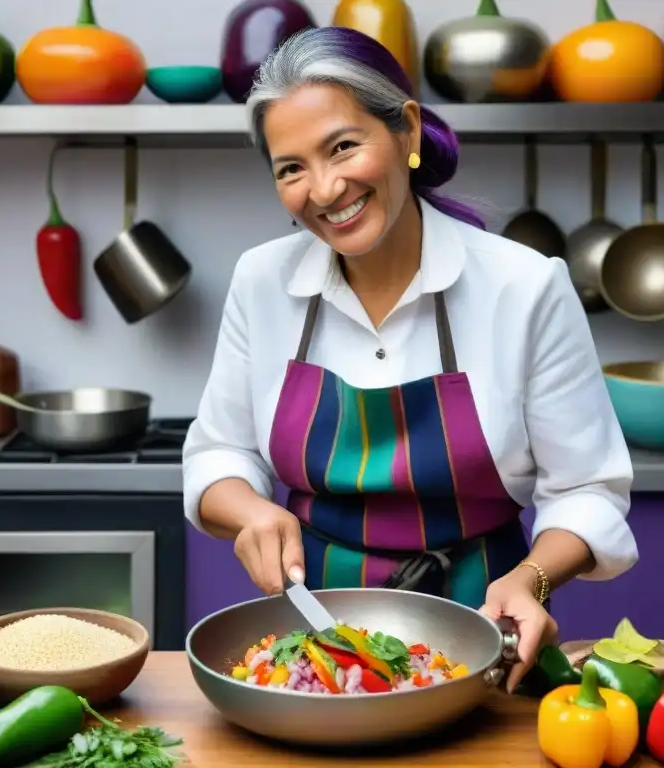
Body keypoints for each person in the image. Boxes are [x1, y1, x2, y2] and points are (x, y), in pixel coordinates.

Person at [182, 26, 638, 691]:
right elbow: (218, 453)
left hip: (483, 629)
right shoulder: (262, 281)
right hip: (313, 643)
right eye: (291, 168)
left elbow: (588, 488)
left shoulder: (524, 285)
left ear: (409, 132)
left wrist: (530, 579)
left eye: (343, 146)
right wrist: (251, 511)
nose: (325, 187)